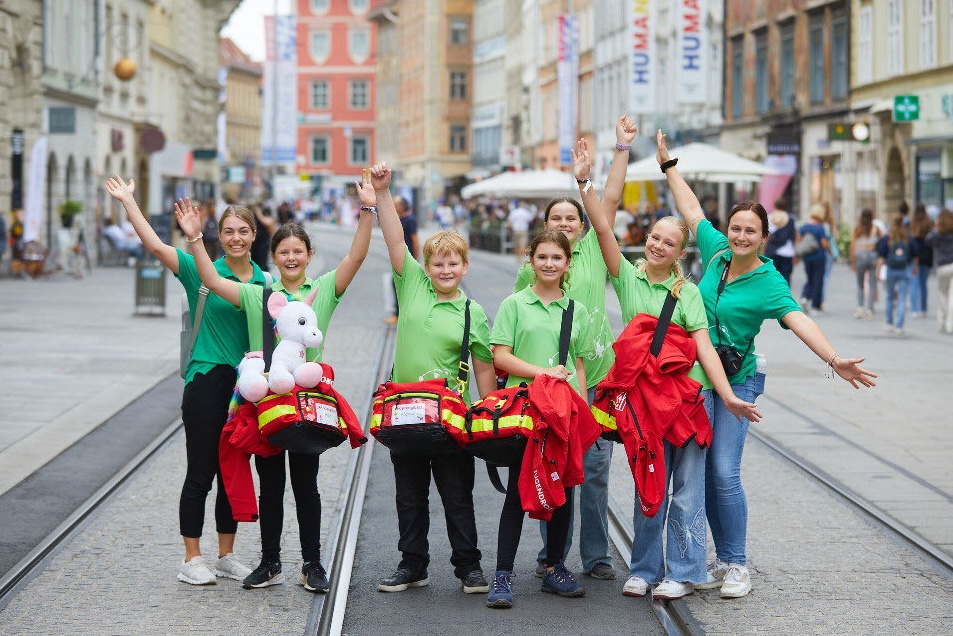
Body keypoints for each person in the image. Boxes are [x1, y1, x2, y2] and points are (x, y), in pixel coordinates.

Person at [655, 129, 877, 599]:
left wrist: (834, 359)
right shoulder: (715, 253)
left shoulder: (769, 282)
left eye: (749, 231)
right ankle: (720, 557)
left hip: (739, 380)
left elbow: (799, 320)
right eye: (735, 228)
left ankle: (736, 564)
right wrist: (669, 166)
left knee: (723, 472)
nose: (739, 236)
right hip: (698, 379)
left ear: (763, 238)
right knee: (705, 473)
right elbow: (693, 210)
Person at [578, 139, 760, 600]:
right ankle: (642, 567)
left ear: (680, 252)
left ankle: (683, 570)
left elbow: (705, 350)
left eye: (669, 242)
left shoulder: (688, 293)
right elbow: (602, 230)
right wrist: (584, 183)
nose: (658, 245)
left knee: (687, 492)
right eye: (654, 237)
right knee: (648, 485)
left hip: (686, 403)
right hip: (643, 404)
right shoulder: (627, 276)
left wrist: (731, 397)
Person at [174, 179, 374, 593]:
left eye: (298, 251)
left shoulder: (323, 292)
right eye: (284, 252)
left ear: (308, 256)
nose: (291, 257)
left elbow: (356, 256)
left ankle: (312, 563)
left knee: (306, 483)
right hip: (268, 403)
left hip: (308, 404)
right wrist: (195, 238)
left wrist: (368, 211)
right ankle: (270, 561)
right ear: (275, 256)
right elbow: (210, 278)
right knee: (271, 485)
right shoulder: (259, 292)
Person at [105, 176, 264, 586]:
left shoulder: (266, 282)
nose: (235, 238)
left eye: (243, 231)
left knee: (234, 470)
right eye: (228, 231)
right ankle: (191, 556)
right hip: (207, 379)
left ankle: (226, 555)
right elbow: (156, 246)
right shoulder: (200, 269)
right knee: (202, 470)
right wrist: (129, 202)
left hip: (246, 388)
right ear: (219, 235)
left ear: (253, 234)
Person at [514, 115, 638, 582]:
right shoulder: (534, 268)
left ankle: (597, 555)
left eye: (571, 219)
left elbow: (608, 200)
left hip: (598, 375)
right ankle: (553, 554)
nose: (564, 225)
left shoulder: (591, 253)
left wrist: (620, 150)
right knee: (554, 465)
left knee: (597, 467)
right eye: (556, 219)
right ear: (544, 228)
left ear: (582, 226)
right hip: (552, 380)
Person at [365, 162, 496, 595]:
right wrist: (384, 193)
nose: (444, 270)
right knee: (409, 496)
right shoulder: (413, 286)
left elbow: (483, 367)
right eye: (438, 263)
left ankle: (469, 567)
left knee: (457, 496)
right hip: (405, 412)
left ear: (464, 267)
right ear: (428, 266)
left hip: (450, 418)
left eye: (452, 263)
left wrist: (489, 410)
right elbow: (394, 237)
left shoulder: (472, 312)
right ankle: (412, 564)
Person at [487, 228, 596, 607]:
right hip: (526, 412)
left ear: (567, 264)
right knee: (518, 492)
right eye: (542, 257)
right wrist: (542, 373)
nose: (549, 264)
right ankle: (502, 575)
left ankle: (554, 567)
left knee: (564, 491)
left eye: (557, 258)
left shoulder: (575, 311)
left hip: (563, 413)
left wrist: (584, 414)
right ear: (531, 260)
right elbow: (501, 356)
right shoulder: (515, 304)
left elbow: (579, 366)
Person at [877, 213, 919, 336]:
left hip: (891, 269)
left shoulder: (888, 237)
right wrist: (915, 267)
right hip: (904, 269)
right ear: (903, 223)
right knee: (902, 297)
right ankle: (899, 325)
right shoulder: (908, 237)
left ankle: (889, 322)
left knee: (890, 296)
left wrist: (878, 271)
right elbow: (915, 254)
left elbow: (881, 256)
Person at [385, 194, 419, 325]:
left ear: (402, 206)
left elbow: (415, 240)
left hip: (408, 258)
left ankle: (399, 314)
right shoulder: (401, 219)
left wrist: (415, 259)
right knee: (397, 284)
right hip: (400, 258)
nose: (394, 206)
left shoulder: (410, 220)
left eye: (396, 204)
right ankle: (401, 313)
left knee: (399, 285)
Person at [850, 208, 882, 320]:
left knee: (860, 284)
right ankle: (870, 309)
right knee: (872, 284)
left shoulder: (857, 229)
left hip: (860, 257)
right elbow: (882, 242)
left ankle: (860, 307)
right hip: (873, 257)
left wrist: (852, 260)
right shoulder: (876, 229)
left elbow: (853, 245)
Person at [797, 204, 830, 313]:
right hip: (819, 256)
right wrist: (829, 249)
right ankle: (816, 304)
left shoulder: (805, 226)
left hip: (807, 256)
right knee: (818, 279)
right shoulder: (820, 228)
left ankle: (805, 296)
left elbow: (799, 239)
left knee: (809, 278)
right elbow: (824, 243)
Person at [926, 208, 953, 334]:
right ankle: (950, 324)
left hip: (942, 267)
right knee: (952, 296)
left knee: (942, 295)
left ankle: (942, 321)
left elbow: (927, 240)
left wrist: (936, 227)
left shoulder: (938, 234)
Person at [909, 203, 934, 317]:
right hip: (927, 257)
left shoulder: (912, 224)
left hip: (915, 257)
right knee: (923, 284)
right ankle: (923, 309)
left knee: (914, 283)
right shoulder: (929, 223)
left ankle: (915, 309)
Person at [765, 199, 797, 286]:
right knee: (786, 277)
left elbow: (766, 235)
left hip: (772, 251)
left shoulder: (769, 217)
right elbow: (793, 236)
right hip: (787, 252)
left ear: (775, 206)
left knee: (772, 277)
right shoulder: (791, 218)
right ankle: (784, 297)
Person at [819, 200, 840, 300]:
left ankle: (816, 298)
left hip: (818, 250)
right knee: (826, 275)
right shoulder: (830, 221)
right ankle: (821, 298)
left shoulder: (817, 220)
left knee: (818, 275)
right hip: (829, 251)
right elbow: (836, 236)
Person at [250, 204, 277, 273]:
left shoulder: (265, 217)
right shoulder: (253, 218)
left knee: (262, 264)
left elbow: (271, 226)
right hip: (253, 245)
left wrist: (258, 213)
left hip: (262, 244)